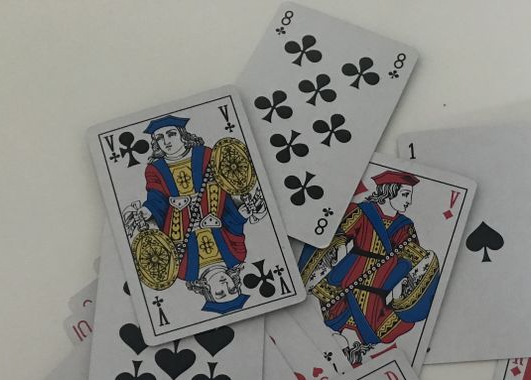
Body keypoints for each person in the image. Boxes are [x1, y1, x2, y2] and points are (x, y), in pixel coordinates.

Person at [297, 170, 440, 365]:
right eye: (405, 194)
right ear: (389, 191)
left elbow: (414, 260)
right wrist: (339, 247)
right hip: (347, 286)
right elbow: (335, 236)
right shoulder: (361, 213)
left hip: (381, 295)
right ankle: (346, 342)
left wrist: (400, 279)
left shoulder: (406, 226)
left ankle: (351, 344)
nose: (409, 201)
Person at [123, 116, 265, 309]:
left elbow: (163, 244)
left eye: (220, 293)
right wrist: (243, 213)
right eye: (233, 289)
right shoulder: (237, 256)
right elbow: (234, 227)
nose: (225, 286)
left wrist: (146, 215)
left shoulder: (183, 272)